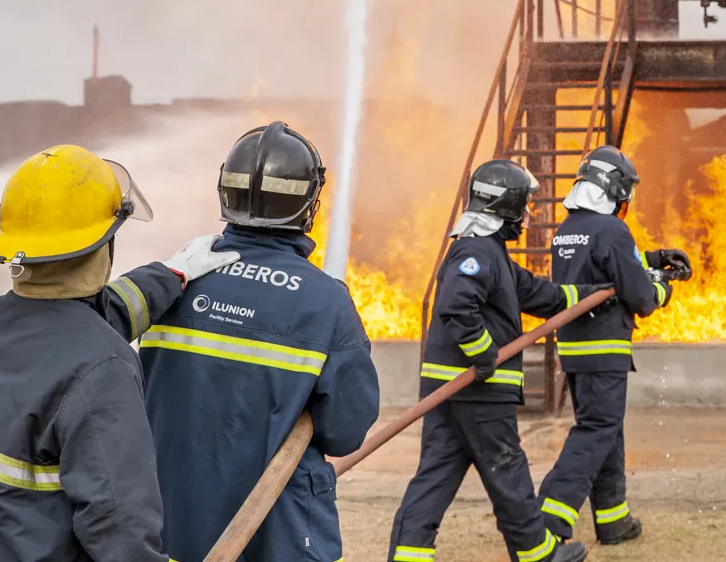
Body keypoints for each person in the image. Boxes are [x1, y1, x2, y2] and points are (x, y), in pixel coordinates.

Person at [0, 144, 238, 561]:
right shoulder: (102, 367)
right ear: (104, 244)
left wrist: (172, 274)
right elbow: (123, 532)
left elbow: (83, 322)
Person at [140, 121, 379, 562]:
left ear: (225, 194)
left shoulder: (173, 280)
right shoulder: (325, 302)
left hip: (169, 521)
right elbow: (345, 431)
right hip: (277, 532)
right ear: (308, 203)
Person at [388, 160, 600, 562]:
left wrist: (598, 292)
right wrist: (483, 353)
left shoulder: (490, 253)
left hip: (453, 388)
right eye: (524, 205)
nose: (527, 215)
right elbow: (456, 305)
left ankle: (407, 555)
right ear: (506, 207)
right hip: (476, 388)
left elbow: (543, 294)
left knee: (436, 475)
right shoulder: (476, 250)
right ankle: (538, 555)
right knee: (507, 470)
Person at [538, 146, 691, 546]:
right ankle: (548, 519)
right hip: (604, 350)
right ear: (615, 189)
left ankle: (612, 519)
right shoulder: (611, 229)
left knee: (606, 430)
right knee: (595, 431)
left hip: (575, 351)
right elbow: (640, 297)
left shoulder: (568, 229)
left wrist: (655, 257)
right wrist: (662, 284)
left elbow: (607, 266)